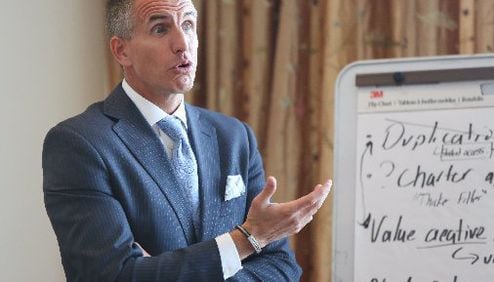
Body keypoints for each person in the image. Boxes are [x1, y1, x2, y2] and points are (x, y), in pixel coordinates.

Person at [42, 0, 332, 281]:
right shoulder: (79, 144)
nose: (183, 43)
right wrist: (247, 240)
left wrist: (158, 268)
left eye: (189, 24)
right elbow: (114, 275)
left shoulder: (233, 136)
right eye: (160, 29)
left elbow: (281, 267)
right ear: (121, 51)